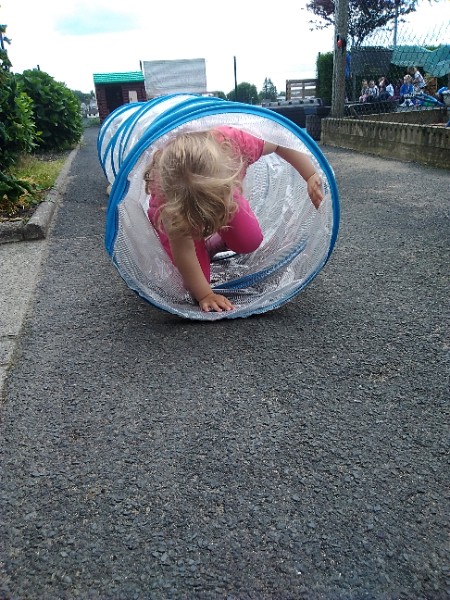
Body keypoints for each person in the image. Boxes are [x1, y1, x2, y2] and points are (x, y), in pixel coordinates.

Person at [144, 127, 323, 313]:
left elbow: (279, 140)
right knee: (192, 284)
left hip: (225, 193)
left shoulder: (236, 143)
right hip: (180, 209)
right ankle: (202, 243)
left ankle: (211, 242)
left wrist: (310, 174)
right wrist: (205, 295)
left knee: (249, 240)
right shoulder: (169, 199)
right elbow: (184, 252)